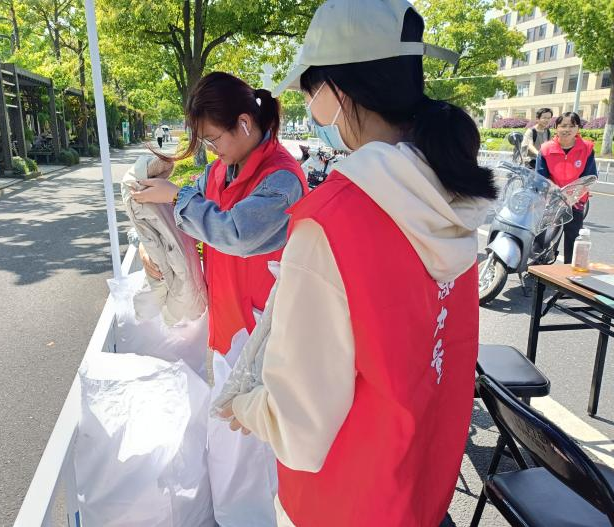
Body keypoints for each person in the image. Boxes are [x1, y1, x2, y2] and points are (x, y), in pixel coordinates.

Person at [220, 1, 498, 526]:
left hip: (347, 502)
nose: (308, 106)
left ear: (333, 91)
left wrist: (245, 406)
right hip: (423, 484)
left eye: (308, 91)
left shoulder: (332, 221)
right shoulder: (451, 191)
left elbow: (299, 429)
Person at [131, 72, 308, 525]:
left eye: (214, 139)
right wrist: (155, 249)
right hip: (229, 325)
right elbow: (194, 221)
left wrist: (178, 198)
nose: (212, 150)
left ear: (244, 124)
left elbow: (234, 233)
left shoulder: (281, 179)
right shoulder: (220, 170)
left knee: (247, 452)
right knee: (233, 450)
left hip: (260, 335)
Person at [536, 111, 597, 264]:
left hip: (575, 201)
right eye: (563, 125)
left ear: (578, 128)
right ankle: (538, 271)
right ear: (556, 127)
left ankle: (569, 273)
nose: (567, 129)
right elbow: (540, 176)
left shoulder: (587, 148)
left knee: (573, 239)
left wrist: (573, 196)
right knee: (543, 239)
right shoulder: (546, 149)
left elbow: (589, 177)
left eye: (572, 126)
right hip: (552, 201)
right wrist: (553, 192)